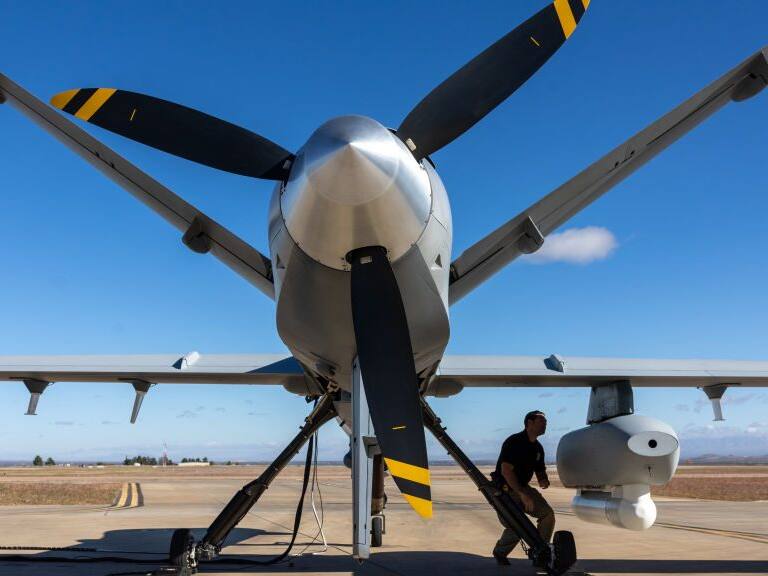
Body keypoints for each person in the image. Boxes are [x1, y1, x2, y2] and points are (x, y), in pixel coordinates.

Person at [490, 410, 554, 566]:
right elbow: (506, 470)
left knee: (547, 515)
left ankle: (540, 551)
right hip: (506, 489)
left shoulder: (538, 448)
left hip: (523, 488)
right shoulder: (514, 442)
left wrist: (543, 480)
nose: (545, 424)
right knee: (517, 525)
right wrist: (522, 494)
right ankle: (500, 552)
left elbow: (540, 469)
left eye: (545, 422)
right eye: (541, 421)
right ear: (529, 423)